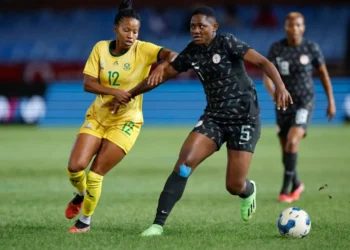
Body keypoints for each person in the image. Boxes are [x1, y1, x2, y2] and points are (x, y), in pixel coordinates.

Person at [106, 6, 292, 236]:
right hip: (214, 118)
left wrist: (281, 87)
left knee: (234, 185)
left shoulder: (227, 42)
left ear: (214, 28)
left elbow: (264, 62)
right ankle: (157, 225)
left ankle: (248, 189)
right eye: (192, 26)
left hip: (245, 120)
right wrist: (129, 95)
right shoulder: (191, 52)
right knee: (184, 164)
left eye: (201, 26)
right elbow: (162, 75)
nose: (195, 30)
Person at [64, 0, 177, 233]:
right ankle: (81, 194)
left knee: (96, 173)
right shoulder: (100, 48)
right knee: (75, 167)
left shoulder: (144, 49)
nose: (131, 35)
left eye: (135, 31)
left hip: (127, 121)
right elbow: (88, 84)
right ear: (116, 29)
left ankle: (85, 221)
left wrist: (160, 65)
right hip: (98, 116)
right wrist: (114, 91)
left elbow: (173, 55)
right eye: (127, 30)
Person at [263, 12, 336, 203]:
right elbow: (266, 79)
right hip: (283, 105)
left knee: (292, 141)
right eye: (290, 25)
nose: (294, 29)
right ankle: (297, 183)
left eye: (298, 25)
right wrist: (275, 96)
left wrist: (331, 101)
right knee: (285, 150)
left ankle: (285, 191)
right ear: (285, 27)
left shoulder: (311, 48)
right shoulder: (277, 48)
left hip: (305, 102)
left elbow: (323, 74)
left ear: (303, 27)